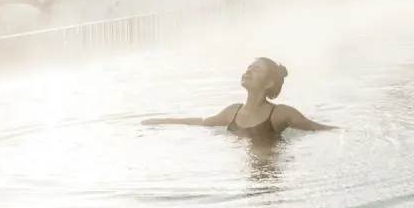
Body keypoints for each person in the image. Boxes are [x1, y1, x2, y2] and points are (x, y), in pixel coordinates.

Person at [141, 57, 336, 138]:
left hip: (271, 170)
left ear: (268, 83)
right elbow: (202, 122)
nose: (248, 71)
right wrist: (161, 121)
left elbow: (319, 128)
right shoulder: (232, 112)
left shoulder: (280, 114)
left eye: (256, 70)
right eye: (248, 68)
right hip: (243, 172)